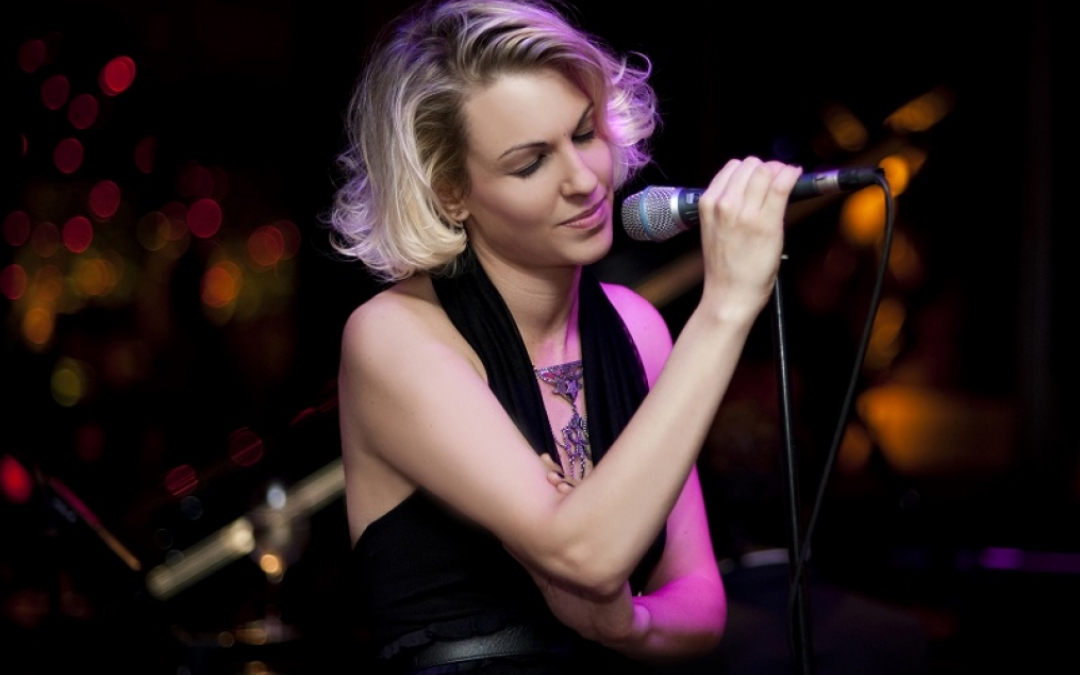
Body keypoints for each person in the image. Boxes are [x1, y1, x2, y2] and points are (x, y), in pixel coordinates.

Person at [326, 0, 802, 672]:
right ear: (451, 192)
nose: (584, 180)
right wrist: (725, 306)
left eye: (584, 133)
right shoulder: (393, 337)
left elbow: (698, 599)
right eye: (530, 163)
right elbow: (582, 553)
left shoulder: (636, 326)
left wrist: (629, 626)